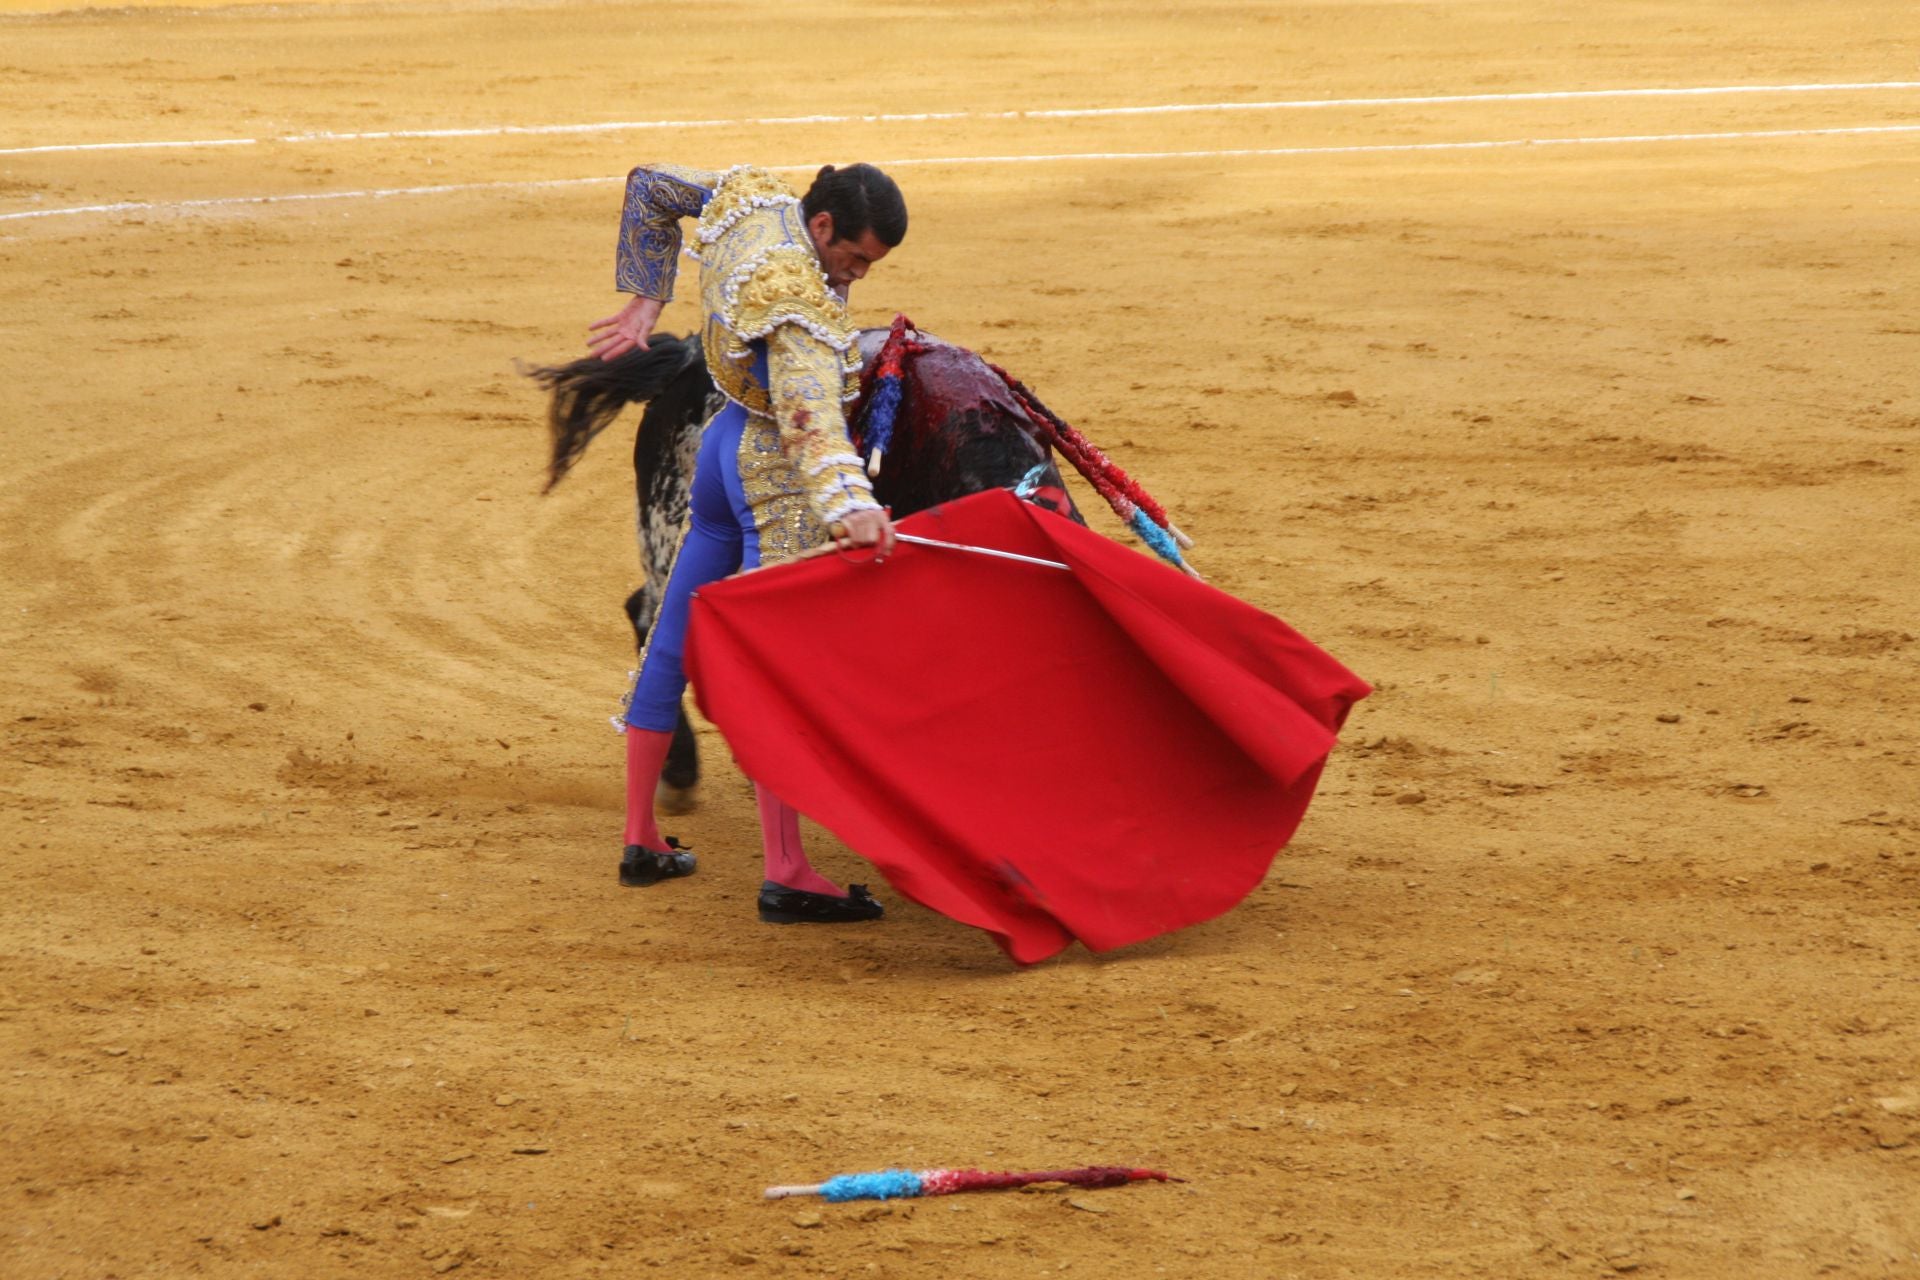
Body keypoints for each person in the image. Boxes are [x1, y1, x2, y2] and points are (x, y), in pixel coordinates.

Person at [587, 161, 907, 924]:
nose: (854, 276)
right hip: (769, 471)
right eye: (854, 258)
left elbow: (653, 189)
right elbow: (808, 418)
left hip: (720, 441)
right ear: (823, 226)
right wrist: (850, 500)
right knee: (776, 667)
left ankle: (640, 838)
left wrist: (647, 297)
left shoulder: (754, 195)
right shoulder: (794, 300)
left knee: (670, 638)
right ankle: (787, 869)